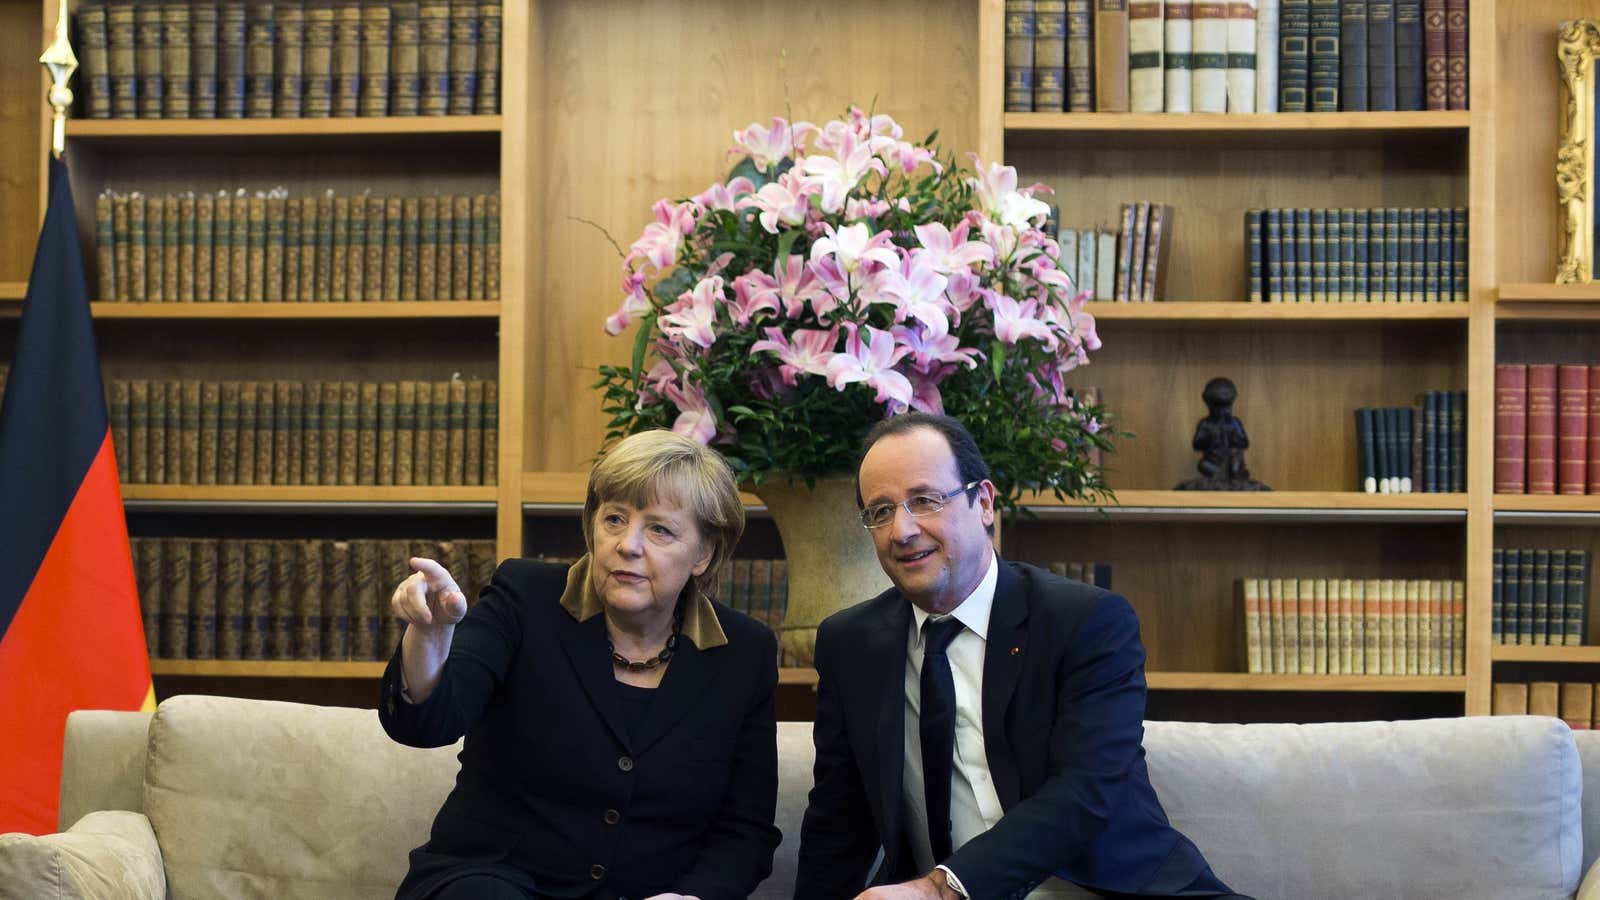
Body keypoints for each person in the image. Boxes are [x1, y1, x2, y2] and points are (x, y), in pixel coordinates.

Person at [795, 413, 1249, 900]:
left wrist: (942, 889)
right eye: (880, 511)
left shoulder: (1086, 622)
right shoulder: (852, 644)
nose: (901, 530)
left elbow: (1085, 791)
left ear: (984, 502)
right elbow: (838, 822)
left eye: (924, 501)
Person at [380, 429, 781, 900]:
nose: (627, 545)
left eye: (659, 529)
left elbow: (746, 831)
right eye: (614, 518)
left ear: (704, 554)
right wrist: (431, 634)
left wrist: (691, 897)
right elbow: (428, 723)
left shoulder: (743, 653)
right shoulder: (525, 598)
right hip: (491, 882)